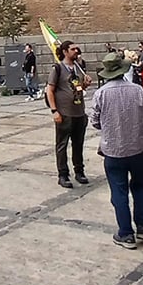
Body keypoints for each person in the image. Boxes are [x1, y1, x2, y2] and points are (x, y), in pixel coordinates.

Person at [90, 52, 143, 249]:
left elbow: (95, 121)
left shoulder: (101, 93)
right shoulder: (138, 90)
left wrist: (109, 127)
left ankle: (126, 233)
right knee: (140, 188)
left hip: (113, 151)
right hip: (138, 149)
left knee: (118, 192)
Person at [47, 41, 90, 188]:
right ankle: (63, 174)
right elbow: (49, 90)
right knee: (62, 145)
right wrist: (54, 111)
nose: (76, 51)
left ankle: (79, 171)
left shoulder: (78, 68)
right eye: (72, 49)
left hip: (79, 112)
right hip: (64, 114)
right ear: (65, 52)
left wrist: (85, 84)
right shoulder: (58, 69)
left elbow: (77, 87)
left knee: (78, 145)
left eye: (76, 48)